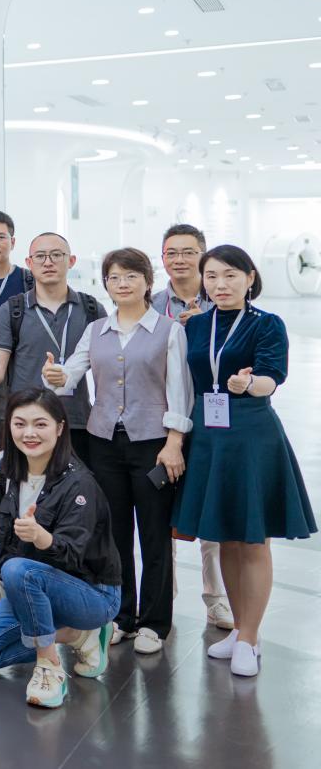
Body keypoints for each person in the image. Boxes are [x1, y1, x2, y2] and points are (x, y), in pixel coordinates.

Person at [173, 244, 316, 677]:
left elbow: (272, 377)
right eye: (212, 276)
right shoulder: (196, 325)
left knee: (253, 540)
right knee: (225, 539)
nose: (220, 284)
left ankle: (250, 639)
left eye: (230, 275)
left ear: (250, 278)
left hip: (251, 435)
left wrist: (249, 384)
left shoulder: (267, 324)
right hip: (208, 438)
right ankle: (239, 628)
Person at [44, 247, 190, 656]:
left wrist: (174, 442)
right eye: (114, 277)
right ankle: (122, 616)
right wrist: (55, 374)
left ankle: (155, 622)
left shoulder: (168, 330)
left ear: (147, 281)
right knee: (113, 533)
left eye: (130, 276)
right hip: (104, 443)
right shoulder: (96, 330)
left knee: (154, 534)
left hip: (153, 445)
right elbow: (69, 376)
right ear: (105, 284)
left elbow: (180, 391)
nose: (122, 284)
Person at [0, 390, 123, 709]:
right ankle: (77, 635)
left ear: (60, 428)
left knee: (17, 569)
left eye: (40, 424)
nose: (29, 433)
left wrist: (41, 537)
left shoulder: (80, 484)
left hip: (91, 594)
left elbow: (73, 555)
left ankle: (49, 666)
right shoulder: (8, 473)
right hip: (32, 587)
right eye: (20, 424)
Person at [152, 222, 231, 630]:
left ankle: (216, 599)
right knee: (160, 511)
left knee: (211, 512)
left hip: (211, 419)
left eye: (188, 252)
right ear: (162, 258)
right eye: (172, 252)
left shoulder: (221, 300)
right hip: (161, 420)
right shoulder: (150, 303)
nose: (179, 259)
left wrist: (205, 328)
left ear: (202, 254)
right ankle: (163, 598)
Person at [0, 232, 103, 463]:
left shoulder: (91, 309)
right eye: (40, 256)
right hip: (26, 423)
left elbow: (105, 368)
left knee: (77, 485)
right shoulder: (13, 309)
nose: (48, 262)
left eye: (56, 255)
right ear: (29, 263)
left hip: (76, 421)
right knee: (25, 484)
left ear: (71, 261)